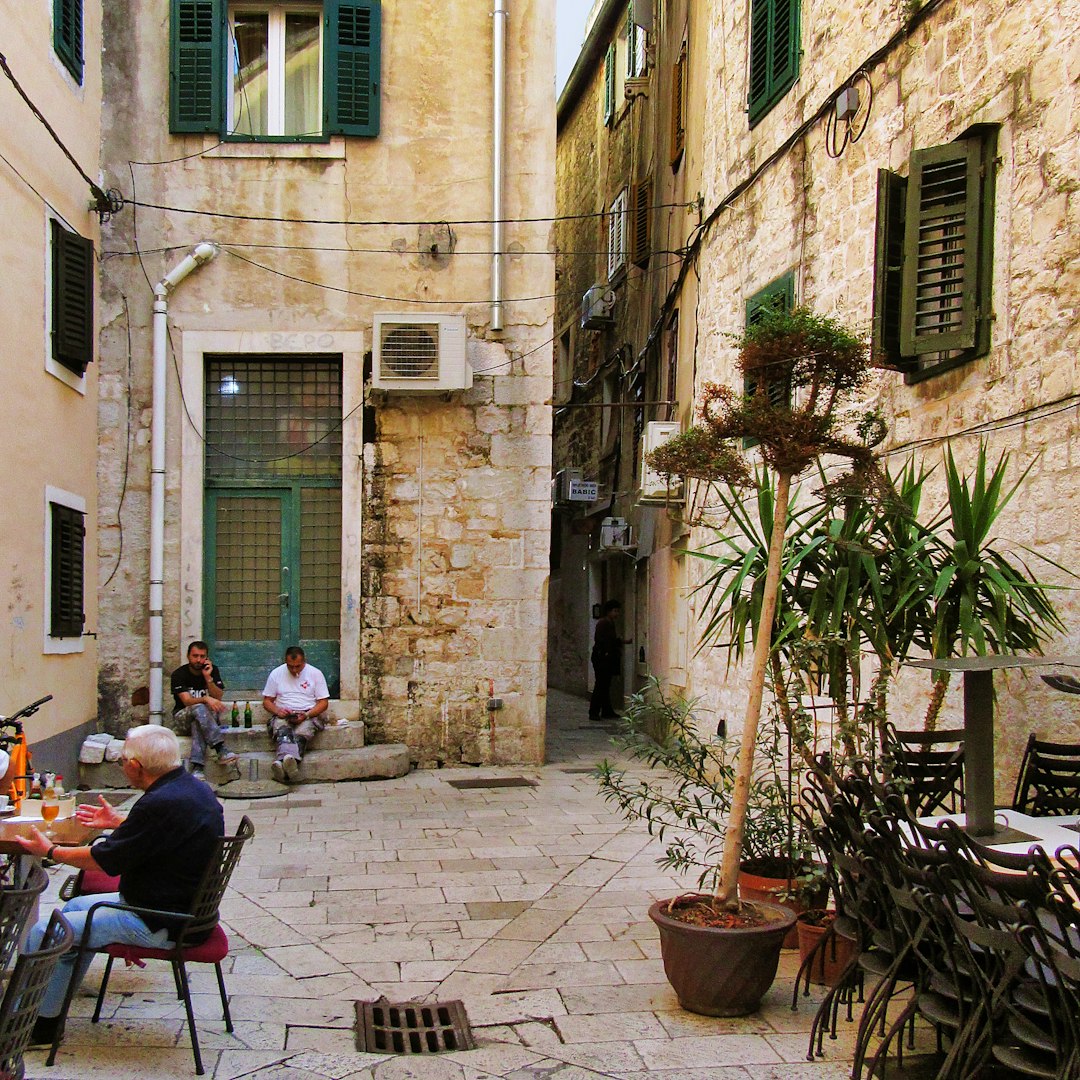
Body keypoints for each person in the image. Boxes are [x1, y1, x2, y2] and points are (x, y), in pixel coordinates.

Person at [17, 725, 225, 1047]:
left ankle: (24, 1026)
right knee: (72, 909)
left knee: (43, 932)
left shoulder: (158, 804)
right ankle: (49, 1015)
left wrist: (50, 852)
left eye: (122, 761)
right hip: (178, 910)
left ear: (136, 766)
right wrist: (120, 823)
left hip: (156, 920)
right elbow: (163, 832)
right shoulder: (190, 789)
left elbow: (103, 860)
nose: (122, 766)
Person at [170, 641, 239, 781]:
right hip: (183, 719)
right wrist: (206, 699)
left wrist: (208, 678)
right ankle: (220, 748)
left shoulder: (213, 671)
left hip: (204, 721)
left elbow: (218, 696)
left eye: (202, 656)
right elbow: (187, 701)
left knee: (198, 723)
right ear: (188, 656)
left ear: (207, 657)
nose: (198, 660)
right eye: (195, 656)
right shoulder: (179, 674)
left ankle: (197, 767)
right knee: (199, 708)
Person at [262, 646, 329, 784]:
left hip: (307, 713)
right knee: (283, 731)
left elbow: (323, 703)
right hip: (283, 713)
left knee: (302, 733)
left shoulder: (315, 674)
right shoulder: (276, 673)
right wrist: (278, 711)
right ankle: (290, 764)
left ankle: (282, 763)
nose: (294, 670)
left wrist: (307, 714)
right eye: (290, 667)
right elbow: (267, 701)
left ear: (304, 662)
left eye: (298, 666)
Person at [589, 600, 627, 721]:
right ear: (609, 612)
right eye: (615, 611)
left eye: (618, 611)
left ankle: (607, 710)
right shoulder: (603, 623)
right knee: (601, 684)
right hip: (602, 658)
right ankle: (594, 712)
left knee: (605, 685)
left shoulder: (610, 623)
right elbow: (602, 640)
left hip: (606, 658)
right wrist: (607, 651)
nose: (617, 614)